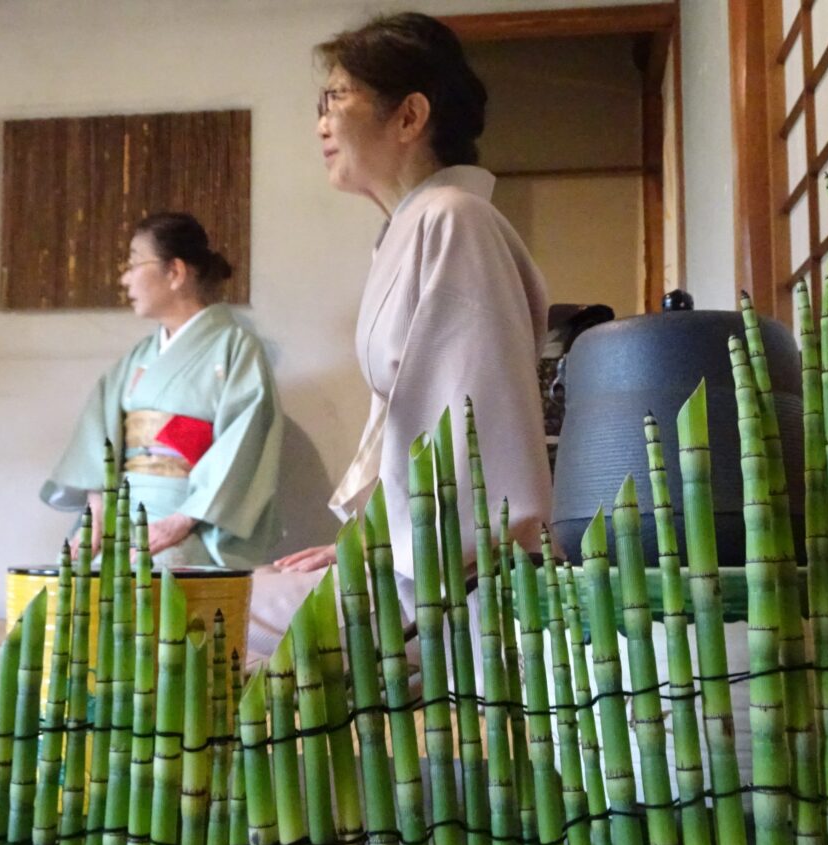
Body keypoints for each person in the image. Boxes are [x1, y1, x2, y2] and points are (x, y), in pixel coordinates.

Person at [246, 12, 551, 659]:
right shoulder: (418, 225)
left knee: (188, 618)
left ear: (409, 117)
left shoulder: (454, 221)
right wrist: (359, 542)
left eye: (338, 99)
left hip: (451, 589)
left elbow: (464, 433)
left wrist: (385, 555)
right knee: (217, 597)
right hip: (418, 562)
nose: (321, 122)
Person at [42, 213, 283, 567]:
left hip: (192, 519)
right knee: (78, 576)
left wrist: (183, 520)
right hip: (121, 516)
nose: (124, 278)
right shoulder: (136, 359)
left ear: (175, 272)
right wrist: (96, 516)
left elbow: (243, 445)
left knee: (158, 574)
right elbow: (96, 443)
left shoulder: (236, 349)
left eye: (133, 263)